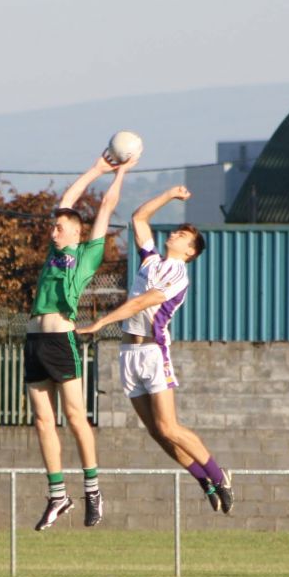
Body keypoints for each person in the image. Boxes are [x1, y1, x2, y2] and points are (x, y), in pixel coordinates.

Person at [76, 186, 233, 513]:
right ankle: (203, 480)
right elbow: (138, 218)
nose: (176, 233)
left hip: (152, 354)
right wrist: (170, 195)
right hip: (127, 355)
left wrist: (100, 323)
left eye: (183, 235)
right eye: (177, 230)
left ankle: (220, 477)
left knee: (169, 427)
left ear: (190, 251)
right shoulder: (151, 261)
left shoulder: (178, 273)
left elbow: (142, 302)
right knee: (156, 433)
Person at [28, 151, 133, 531]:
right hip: (34, 340)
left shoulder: (86, 254)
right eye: (53, 227)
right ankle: (58, 496)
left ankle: (92, 491)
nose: (53, 230)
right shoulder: (51, 254)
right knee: (42, 420)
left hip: (61, 339)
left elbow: (105, 204)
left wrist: (119, 173)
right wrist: (95, 169)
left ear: (74, 231)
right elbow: (67, 201)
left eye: (60, 227)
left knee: (74, 416)